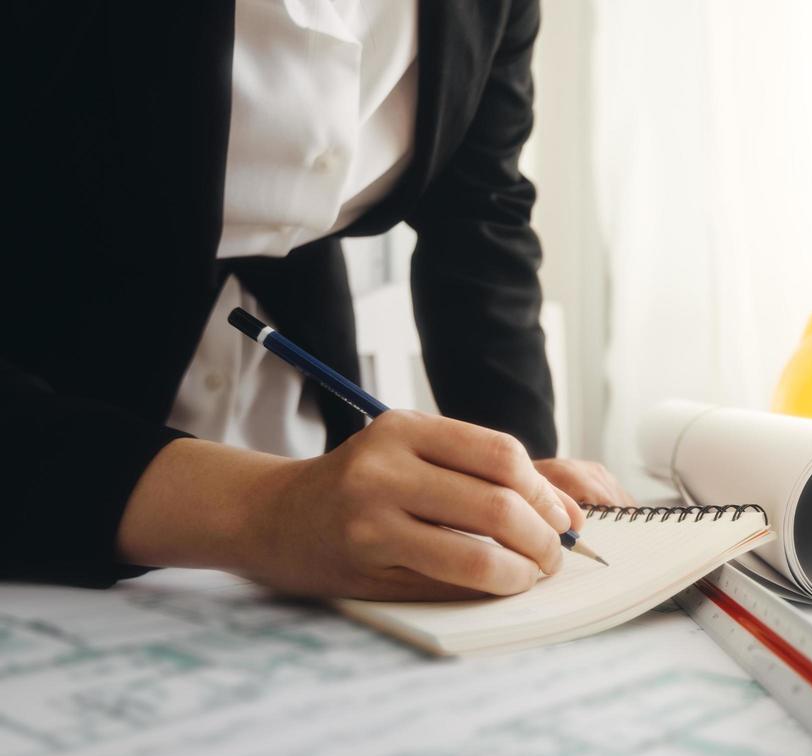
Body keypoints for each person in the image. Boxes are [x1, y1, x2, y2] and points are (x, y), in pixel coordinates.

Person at [6, 0, 633, 600]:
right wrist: (269, 511)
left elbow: (480, 214)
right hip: (48, 450)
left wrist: (517, 470)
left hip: (308, 433)